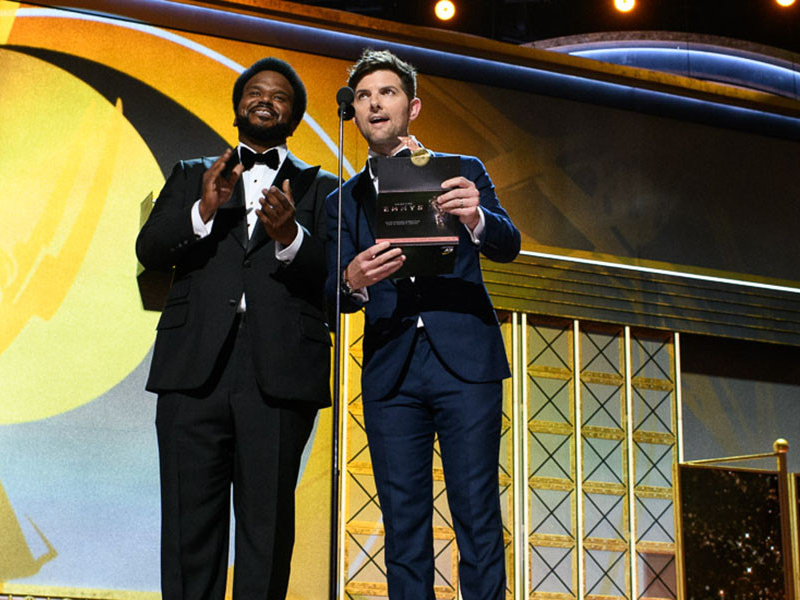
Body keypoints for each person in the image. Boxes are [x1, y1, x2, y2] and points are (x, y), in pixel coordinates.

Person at [136, 57, 337, 600]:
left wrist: (291, 236)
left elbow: (342, 282)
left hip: (279, 373)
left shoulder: (323, 189)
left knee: (265, 528)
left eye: (279, 95)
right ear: (237, 107)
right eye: (254, 91)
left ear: (293, 116)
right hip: (193, 368)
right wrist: (203, 210)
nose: (265, 98)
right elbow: (150, 251)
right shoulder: (191, 173)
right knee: (188, 525)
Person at [326, 49, 521, 600]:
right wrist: (353, 279)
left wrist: (475, 215)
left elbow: (509, 244)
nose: (373, 104)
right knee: (403, 522)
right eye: (363, 97)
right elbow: (331, 292)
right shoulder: (344, 199)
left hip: (465, 362)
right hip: (392, 371)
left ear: (412, 106)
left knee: (477, 512)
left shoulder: (463, 171)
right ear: (355, 114)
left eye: (385, 93)